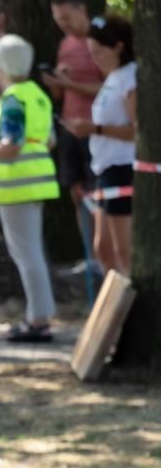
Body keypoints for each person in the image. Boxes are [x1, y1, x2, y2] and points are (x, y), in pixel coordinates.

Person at [0, 34, 60, 342]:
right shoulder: (37, 94)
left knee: (26, 254)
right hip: (36, 182)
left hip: (15, 185)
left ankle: (38, 320)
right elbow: (49, 140)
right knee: (32, 252)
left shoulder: (12, 99)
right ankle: (40, 314)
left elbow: (10, 144)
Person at [62, 14, 137, 276]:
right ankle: (116, 306)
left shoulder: (130, 78)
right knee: (102, 247)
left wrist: (94, 129)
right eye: (90, 52)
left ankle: (134, 307)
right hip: (104, 168)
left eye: (99, 52)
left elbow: (137, 131)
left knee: (123, 249)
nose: (95, 58)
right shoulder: (112, 77)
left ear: (118, 47)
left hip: (122, 167)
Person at [41, 0, 105, 276]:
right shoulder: (65, 44)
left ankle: (107, 256)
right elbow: (59, 93)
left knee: (99, 193)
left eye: (67, 17)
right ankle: (90, 256)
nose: (63, 24)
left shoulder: (102, 39)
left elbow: (112, 88)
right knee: (77, 192)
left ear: (82, 10)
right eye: (57, 20)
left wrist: (72, 85)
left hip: (96, 128)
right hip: (69, 127)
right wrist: (55, 82)